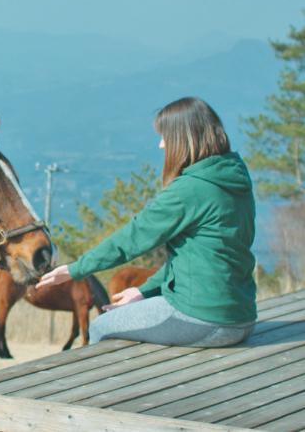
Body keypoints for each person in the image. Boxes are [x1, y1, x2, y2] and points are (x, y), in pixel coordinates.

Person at [37, 97, 257, 347]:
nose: (161, 145)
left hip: (204, 319)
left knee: (101, 326)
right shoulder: (232, 178)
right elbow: (200, 258)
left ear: (183, 139)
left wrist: (75, 268)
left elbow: (133, 237)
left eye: (165, 136)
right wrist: (145, 290)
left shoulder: (190, 189)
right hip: (242, 317)